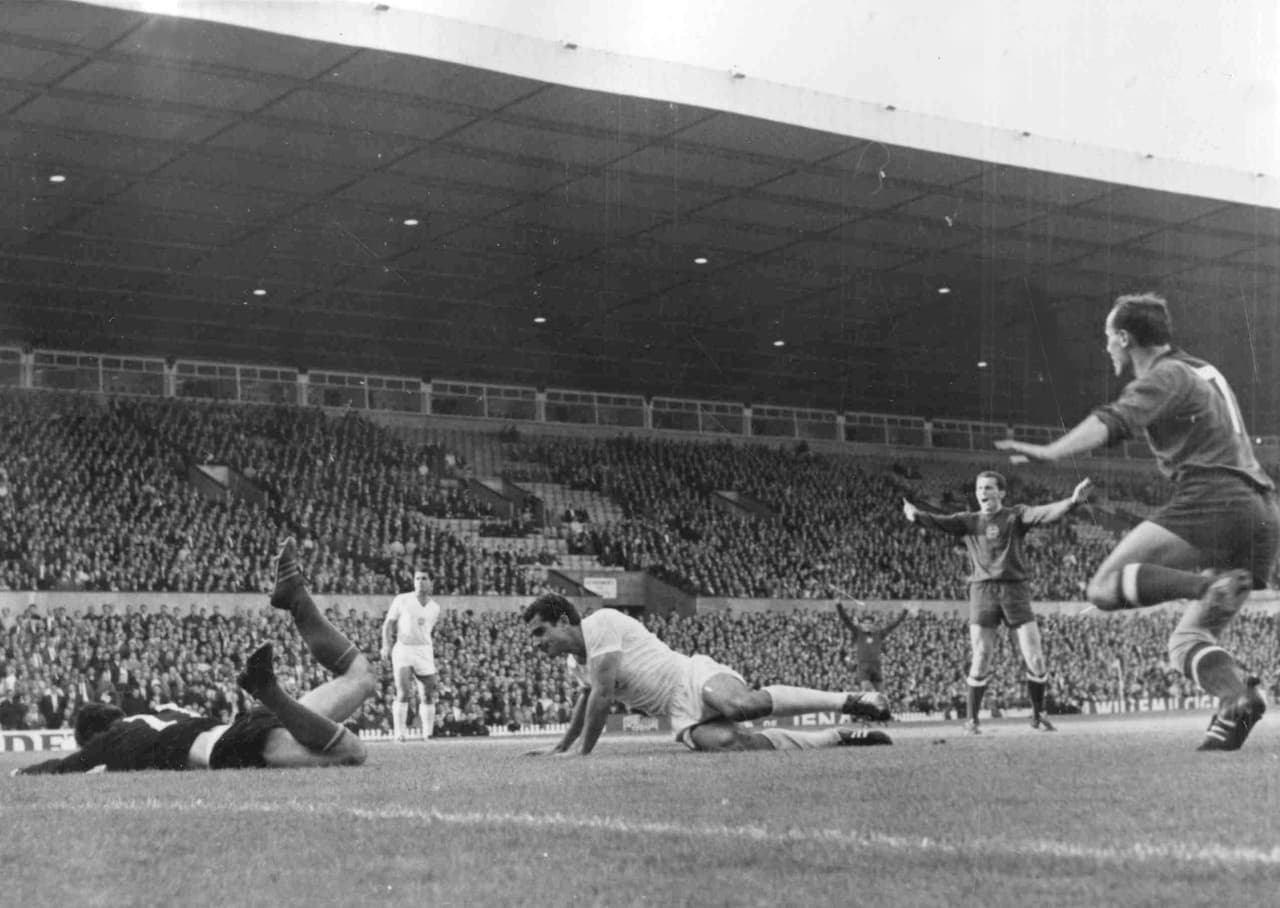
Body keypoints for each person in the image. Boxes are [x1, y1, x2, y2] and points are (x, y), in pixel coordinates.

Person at [995, 291, 1280, 751]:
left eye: (1108, 338)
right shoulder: (1203, 369)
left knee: (1103, 587)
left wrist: (1049, 452)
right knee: (1187, 640)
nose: (1106, 347)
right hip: (1263, 512)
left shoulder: (1167, 374)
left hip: (1214, 497)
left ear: (1125, 338)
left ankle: (1202, 585)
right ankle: (1235, 697)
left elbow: (1114, 420)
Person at [12, 538, 377, 774]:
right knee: (360, 678)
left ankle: (272, 692)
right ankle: (297, 601)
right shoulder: (161, 712)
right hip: (242, 725)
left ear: (96, 736)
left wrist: (18, 773)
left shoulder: (113, 741)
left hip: (229, 747)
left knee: (352, 753)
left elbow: (61, 767)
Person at [520, 593, 893, 755]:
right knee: (732, 744)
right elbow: (587, 697)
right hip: (678, 713)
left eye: (541, 632)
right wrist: (560, 746)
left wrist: (580, 754)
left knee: (739, 706)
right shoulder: (576, 664)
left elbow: (601, 696)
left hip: (691, 676)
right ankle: (838, 736)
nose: (538, 643)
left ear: (564, 621)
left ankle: (853, 701)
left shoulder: (600, 624)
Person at [903, 471, 1092, 734]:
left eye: (989, 488)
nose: (983, 492)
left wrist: (1072, 501)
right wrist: (916, 516)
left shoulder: (1016, 515)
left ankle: (1039, 716)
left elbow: (1043, 513)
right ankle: (971, 720)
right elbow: (939, 521)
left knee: (1035, 658)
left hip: (1015, 590)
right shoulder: (968, 521)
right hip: (982, 592)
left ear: (1001, 492)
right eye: (980, 488)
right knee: (981, 656)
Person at [380, 568, 441, 741]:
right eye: (417, 578)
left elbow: (426, 630)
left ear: (431, 582)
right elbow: (388, 624)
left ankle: (428, 733)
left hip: (424, 650)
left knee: (427, 694)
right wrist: (386, 645)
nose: (420, 582)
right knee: (403, 691)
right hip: (404, 648)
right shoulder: (402, 599)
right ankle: (400, 733)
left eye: (424, 578)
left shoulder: (435, 608)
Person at [835, 601, 906, 692]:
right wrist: (838, 605)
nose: (867, 625)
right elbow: (846, 620)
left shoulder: (879, 634)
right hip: (863, 666)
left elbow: (893, 625)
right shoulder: (858, 633)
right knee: (866, 691)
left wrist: (904, 612)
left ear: (873, 625)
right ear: (862, 625)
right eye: (865, 623)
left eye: (869, 623)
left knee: (881, 693)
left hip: (876, 666)